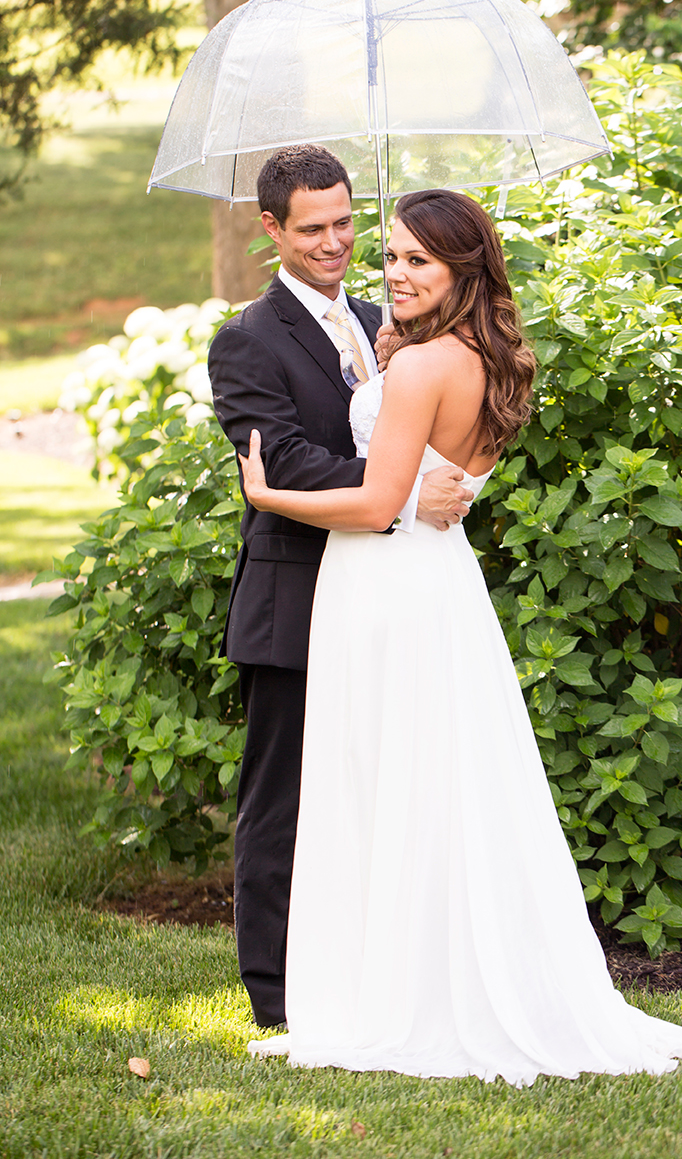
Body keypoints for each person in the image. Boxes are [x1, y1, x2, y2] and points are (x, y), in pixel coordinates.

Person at [238, 188, 682, 1084]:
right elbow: (431, 473)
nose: (392, 271)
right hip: (438, 584)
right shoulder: (480, 360)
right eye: (390, 255)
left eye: (417, 260)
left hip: (383, 581)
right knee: (431, 782)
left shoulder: (424, 370)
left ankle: (393, 998)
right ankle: (417, 978)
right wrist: (391, 361)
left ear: (464, 271)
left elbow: (381, 502)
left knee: (385, 780)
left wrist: (269, 496)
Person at [207, 146, 473, 1029]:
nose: (335, 244)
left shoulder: (381, 317)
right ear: (272, 229)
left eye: (345, 223)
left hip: (385, 597)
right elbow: (279, 457)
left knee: (369, 788)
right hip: (296, 597)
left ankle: (359, 969)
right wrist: (395, 486)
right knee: (282, 798)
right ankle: (277, 999)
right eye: (312, 228)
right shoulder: (247, 339)